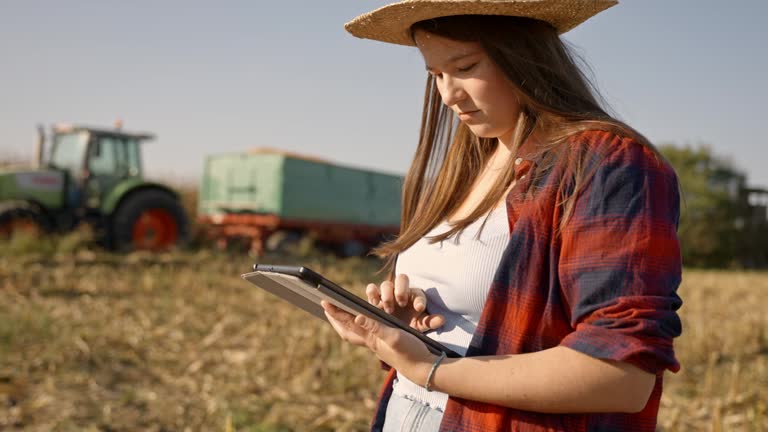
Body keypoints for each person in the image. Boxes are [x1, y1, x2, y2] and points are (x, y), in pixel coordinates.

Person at [321, 1, 683, 431]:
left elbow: (621, 376)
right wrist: (406, 332)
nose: (448, 95)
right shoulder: (470, 165)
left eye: (466, 67)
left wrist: (431, 369)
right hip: (407, 412)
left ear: (524, 56)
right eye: (435, 75)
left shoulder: (608, 165)